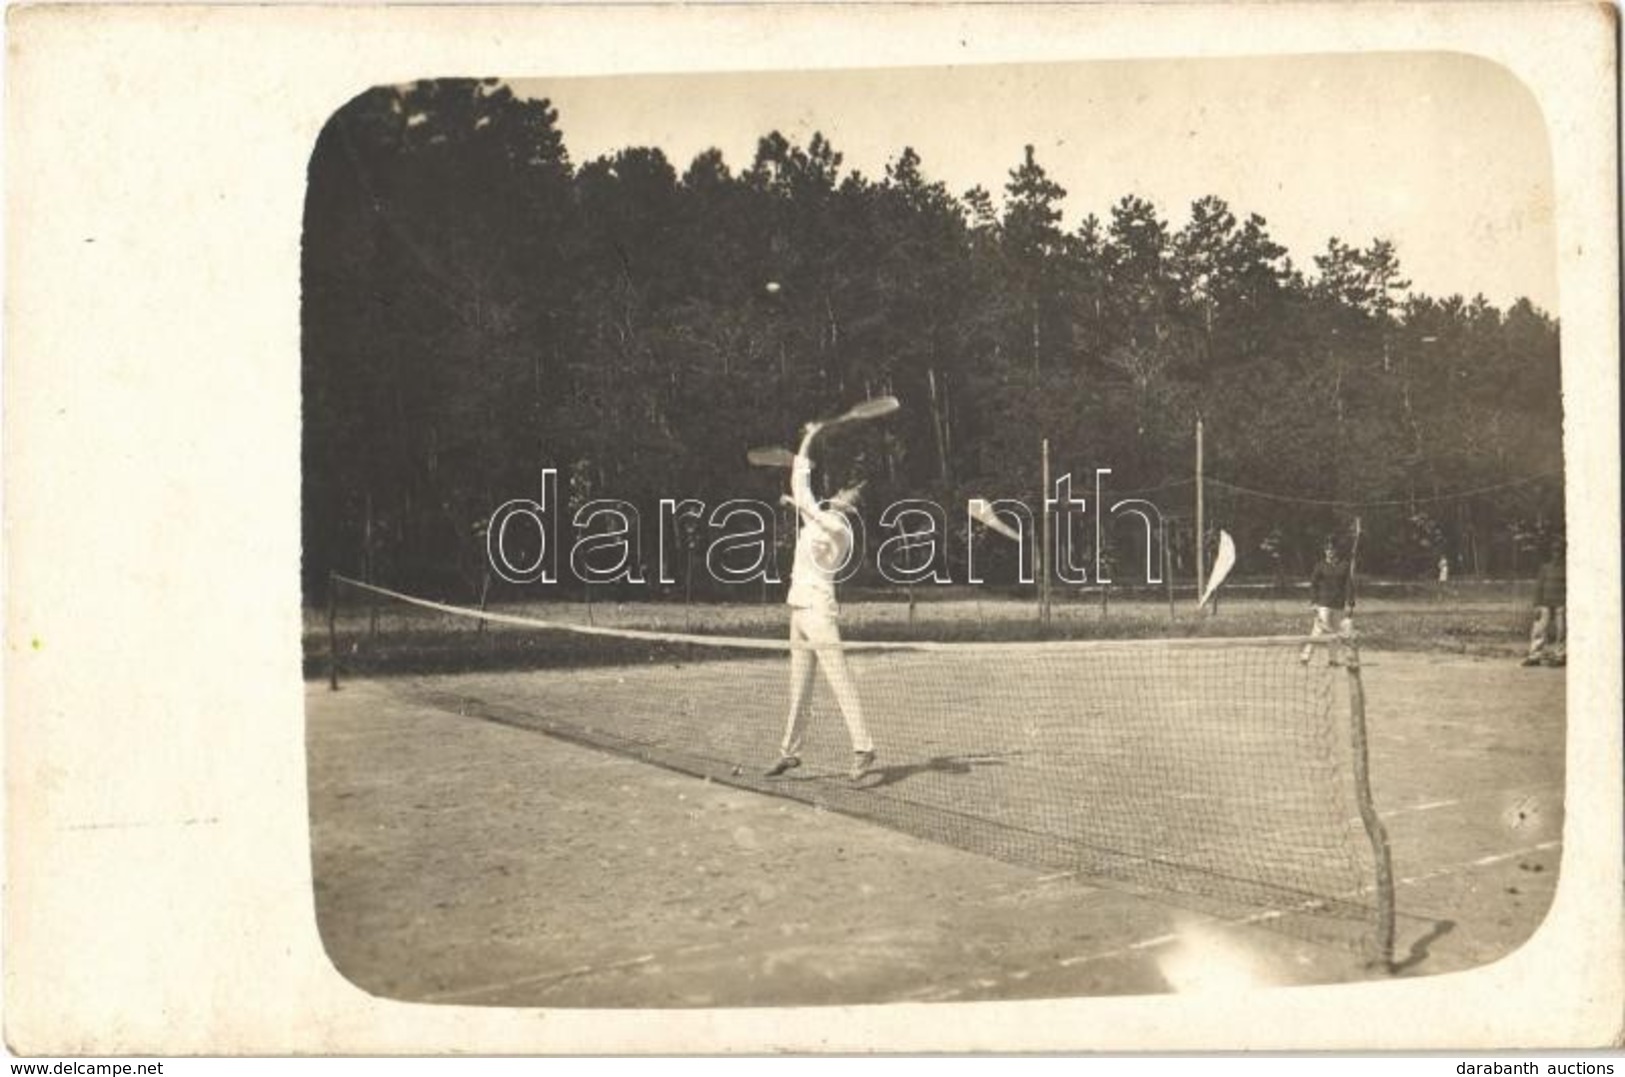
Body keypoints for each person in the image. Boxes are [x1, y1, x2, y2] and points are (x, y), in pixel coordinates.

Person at [765, 420, 877, 782]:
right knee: (799, 686)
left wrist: (809, 441)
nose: (845, 495)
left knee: (839, 678)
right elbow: (802, 495)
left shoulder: (840, 530)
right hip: (798, 608)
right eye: (847, 491)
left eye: (851, 497)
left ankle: (864, 748)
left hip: (819, 611)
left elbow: (806, 499)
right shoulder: (821, 520)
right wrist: (809, 439)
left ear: (852, 508)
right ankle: (790, 753)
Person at [1300, 535, 1355, 664]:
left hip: (1339, 604)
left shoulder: (1344, 566)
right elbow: (1313, 585)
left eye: (1332, 549)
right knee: (1319, 630)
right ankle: (1305, 656)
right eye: (1327, 549)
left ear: (1336, 551)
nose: (1330, 552)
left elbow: (1349, 585)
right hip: (1323, 603)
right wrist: (1313, 602)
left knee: (1335, 632)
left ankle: (1333, 659)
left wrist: (1350, 603)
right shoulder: (1320, 566)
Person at [1522, 544, 1566, 668]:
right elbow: (1538, 587)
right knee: (1538, 629)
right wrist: (1536, 604)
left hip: (1561, 603)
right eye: (1554, 551)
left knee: (1561, 630)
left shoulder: (1567, 568)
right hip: (1545, 603)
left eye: (1559, 551)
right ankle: (1535, 656)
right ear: (1551, 553)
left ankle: (1560, 656)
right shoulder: (1545, 568)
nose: (1556, 554)